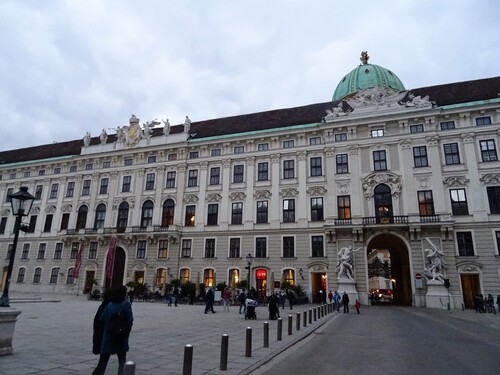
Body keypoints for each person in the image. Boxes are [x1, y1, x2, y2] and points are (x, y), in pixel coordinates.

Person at [92, 285, 133, 375]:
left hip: (108, 337)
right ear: (123, 295)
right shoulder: (126, 304)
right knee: (122, 361)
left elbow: (101, 319)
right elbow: (130, 320)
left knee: (102, 362)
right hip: (121, 337)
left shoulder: (109, 305)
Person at [92, 289, 112, 355]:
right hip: (107, 336)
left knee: (104, 357)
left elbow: (96, 321)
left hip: (100, 335)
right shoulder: (110, 306)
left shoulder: (102, 306)